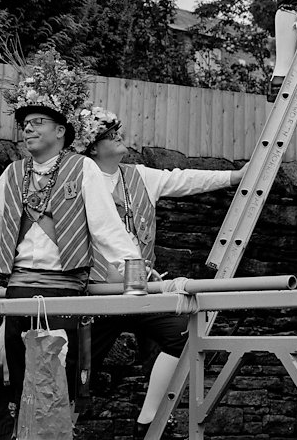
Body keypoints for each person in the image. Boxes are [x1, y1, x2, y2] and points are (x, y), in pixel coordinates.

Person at [0, 52, 140, 435]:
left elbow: (108, 230)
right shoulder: (12, 174)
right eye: (24, 124)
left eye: (38, 122)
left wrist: (135, 277)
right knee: (14, 387)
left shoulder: (83, 168)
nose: (27, 129)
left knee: (55, 389)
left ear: (61, 131)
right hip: (20, 290)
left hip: (64, 293)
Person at [74, 106, 245, 439]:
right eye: (110, 133)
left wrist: (235, 177)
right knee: (74, 365)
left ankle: (149, 421)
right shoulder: (78, 179)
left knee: (184, 333)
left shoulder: (139, 175)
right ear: (91, 146)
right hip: (95, 295)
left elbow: (183, 179)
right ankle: (57, 426)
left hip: (140, 292)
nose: (119, 135)